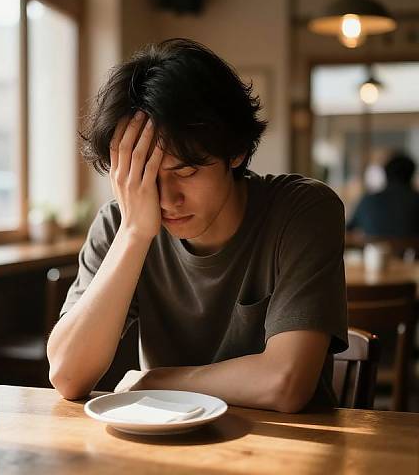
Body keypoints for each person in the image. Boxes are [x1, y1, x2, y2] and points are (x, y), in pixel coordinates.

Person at [47, 39, 348, 412]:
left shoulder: (302, 210)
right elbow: (67, 375)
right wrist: (134, 234)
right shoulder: (119, 223)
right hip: (170, 451)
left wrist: (156, 380)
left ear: (235, 150)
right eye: (146, 177)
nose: (166, 200)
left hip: (293, 448)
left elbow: (285, 383)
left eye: (186, 171)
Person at [347, 153, 419, 237]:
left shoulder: (368, 201)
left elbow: (348, 229)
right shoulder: (416, 201)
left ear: (386, 175)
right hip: (411, 249)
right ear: (411, 176)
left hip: (373, 249)